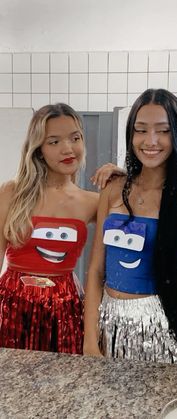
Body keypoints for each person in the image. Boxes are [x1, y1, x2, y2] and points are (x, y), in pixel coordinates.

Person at [83, 88, 177, 365]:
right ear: (131, 134)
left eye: (163, 131)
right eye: (140, 130)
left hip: (162, 329)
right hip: (109, 325)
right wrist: (89, 339)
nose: (150, 141)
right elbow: (95, 270)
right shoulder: (113, 189)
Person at [0, 103, 123, 354]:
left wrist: (125, 180)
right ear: (39, 149)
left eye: (75, 138)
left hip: (64, 310)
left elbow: (140, 217)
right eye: (54, 142)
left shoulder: (93, 202)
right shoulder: (11, 193)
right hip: (11, 306)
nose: (68, 149)